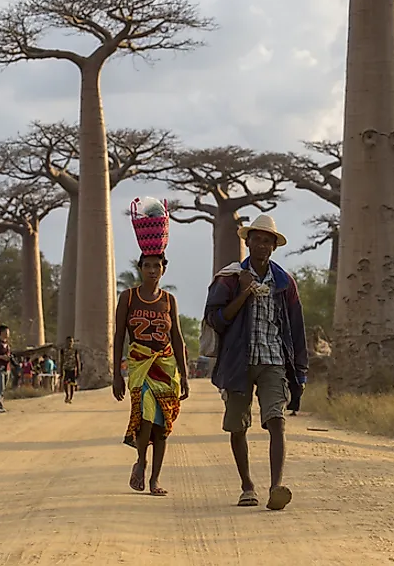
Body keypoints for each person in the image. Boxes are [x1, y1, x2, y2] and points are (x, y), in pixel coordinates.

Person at [203, 214, 307, 511]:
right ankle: (247, 486)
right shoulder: (230, 278)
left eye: (267, 240)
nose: (261, 245)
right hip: (239, 361)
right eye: (256, 239)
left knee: (277, 420)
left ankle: (276, 486)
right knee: (238, 425)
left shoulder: (285, 283)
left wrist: (300, 369)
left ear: (274, 246)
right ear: (246, 242)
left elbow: (296, 327)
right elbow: (217, 319)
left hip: (273, 359)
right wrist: (245, 291)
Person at [112, 253, 189, 496]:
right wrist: (116, 374)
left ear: (164, 270)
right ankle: (142, 461)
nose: (152, 270)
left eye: (157, 266)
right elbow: (119, 336)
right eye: (148, 266)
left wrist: (184, 374)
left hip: (165, 367)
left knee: (163, 424)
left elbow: (176, 336)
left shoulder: (169, 300)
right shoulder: (129, 297)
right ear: (140, 268)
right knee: (145, 416)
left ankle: (155, 479)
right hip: (139, 364)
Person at [60, 337, 82, 404]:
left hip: (73, 369)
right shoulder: (63, 350)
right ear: (66, 342)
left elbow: (77, 360)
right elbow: (61, 360)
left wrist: (78, 370)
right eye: (68, 341)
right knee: (65, 382)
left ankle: (71, 397)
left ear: (73, 342)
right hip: (66, 368)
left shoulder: (75, 350)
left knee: (72, 384)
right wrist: (61, 370)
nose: (70, 343)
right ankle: (67, 395)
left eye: (71, 341)